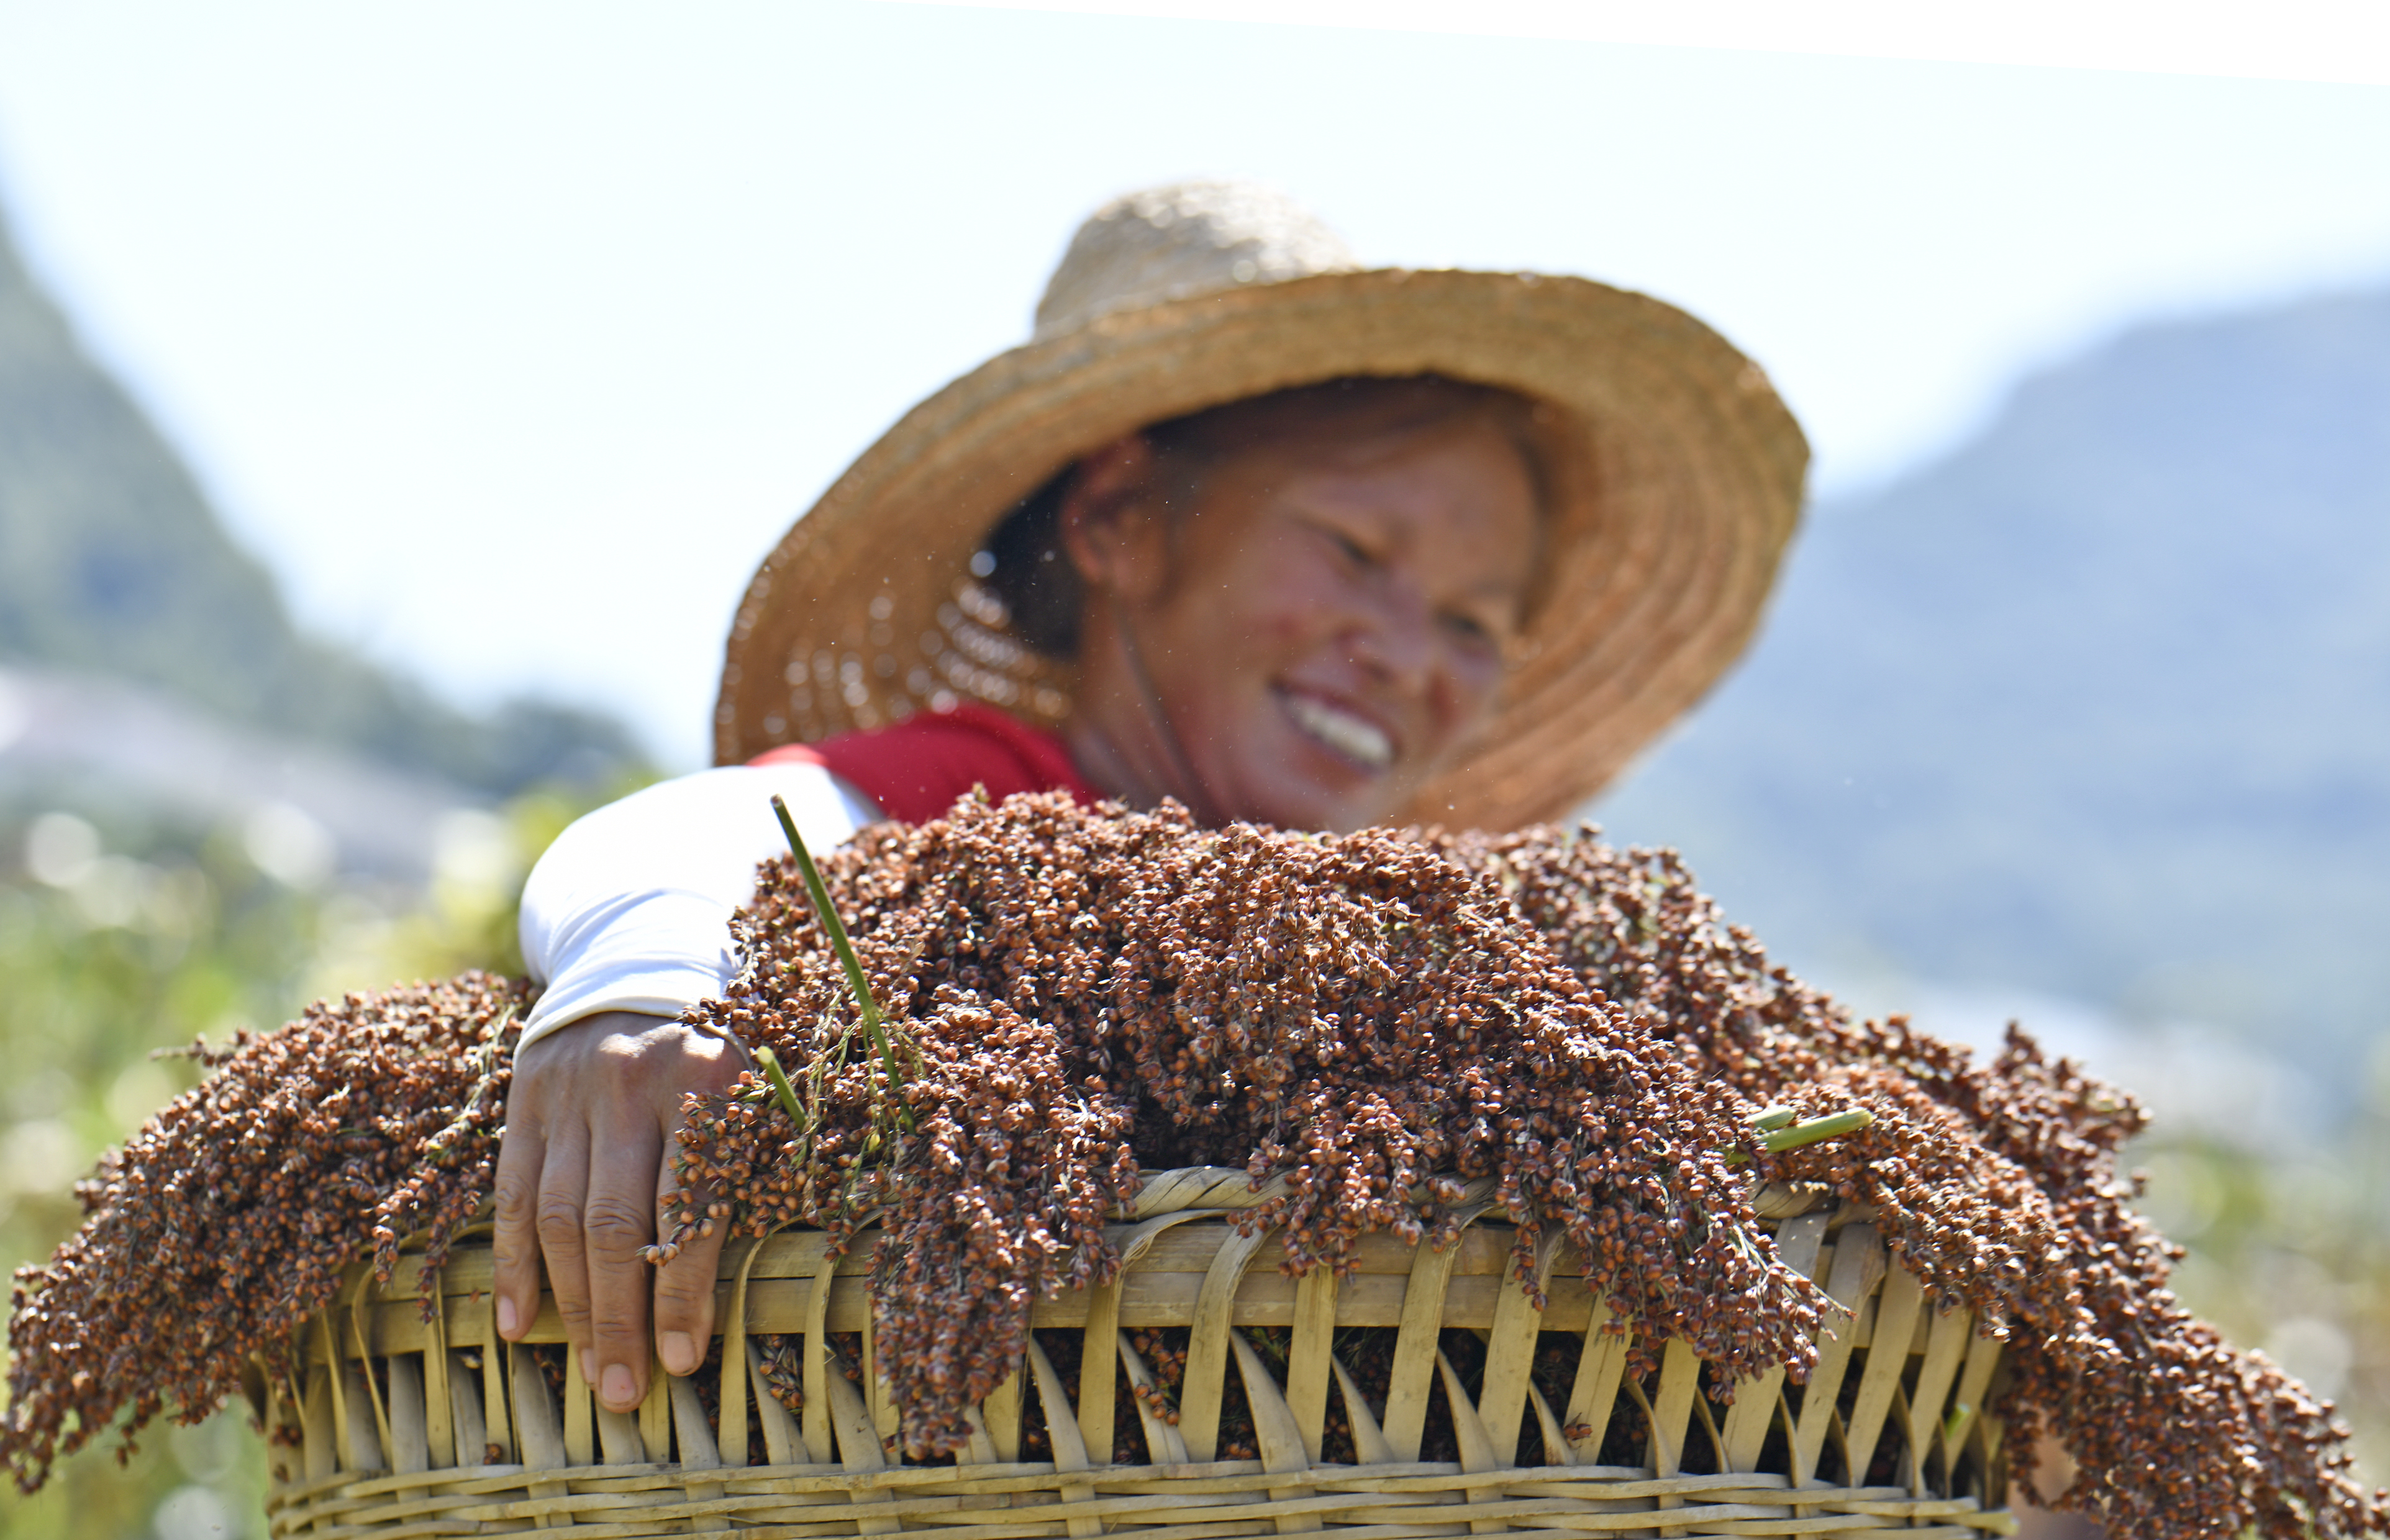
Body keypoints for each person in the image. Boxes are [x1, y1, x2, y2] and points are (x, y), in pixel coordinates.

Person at [489, 180, 1807, 1418]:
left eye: (1471, 621)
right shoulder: (990, 817)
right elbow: (723, 835)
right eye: (1354, 551)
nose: (1407, 651)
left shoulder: (1409, 962)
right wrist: (648, 977)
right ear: (1121, 514)